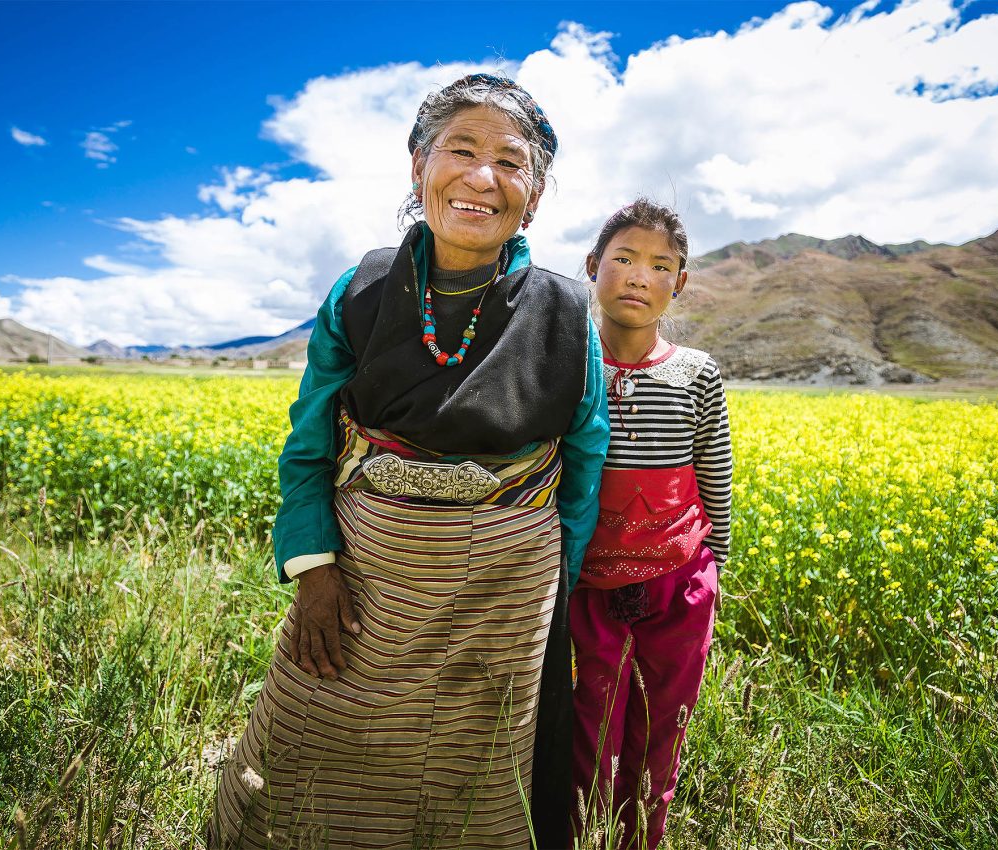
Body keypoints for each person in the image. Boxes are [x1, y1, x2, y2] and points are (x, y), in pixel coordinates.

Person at [209, 73, 609, 850]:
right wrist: (313, 571)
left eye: (511, 161)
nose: (482, 177)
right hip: (358, 593)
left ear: (535, 193)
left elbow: (584, 461)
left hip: (505, 602)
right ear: (419, 163)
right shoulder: (359, 290)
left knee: (474, 779)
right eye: (460, 149)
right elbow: (309, 443)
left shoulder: (566, 311)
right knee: (306, 754)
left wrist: (551, 587)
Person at [569, 199, 733, 849]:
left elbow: (714, 473)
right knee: (589, 720)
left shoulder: (697, 372)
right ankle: (582, 834)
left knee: (663, 720)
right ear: (592, 267)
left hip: (679, 582)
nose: (640, 276)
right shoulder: (567, 363)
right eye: (624, 259)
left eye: (661, 265)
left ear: (680, 283)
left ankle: (644, 836)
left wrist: (716, 564)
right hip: (588, 580)